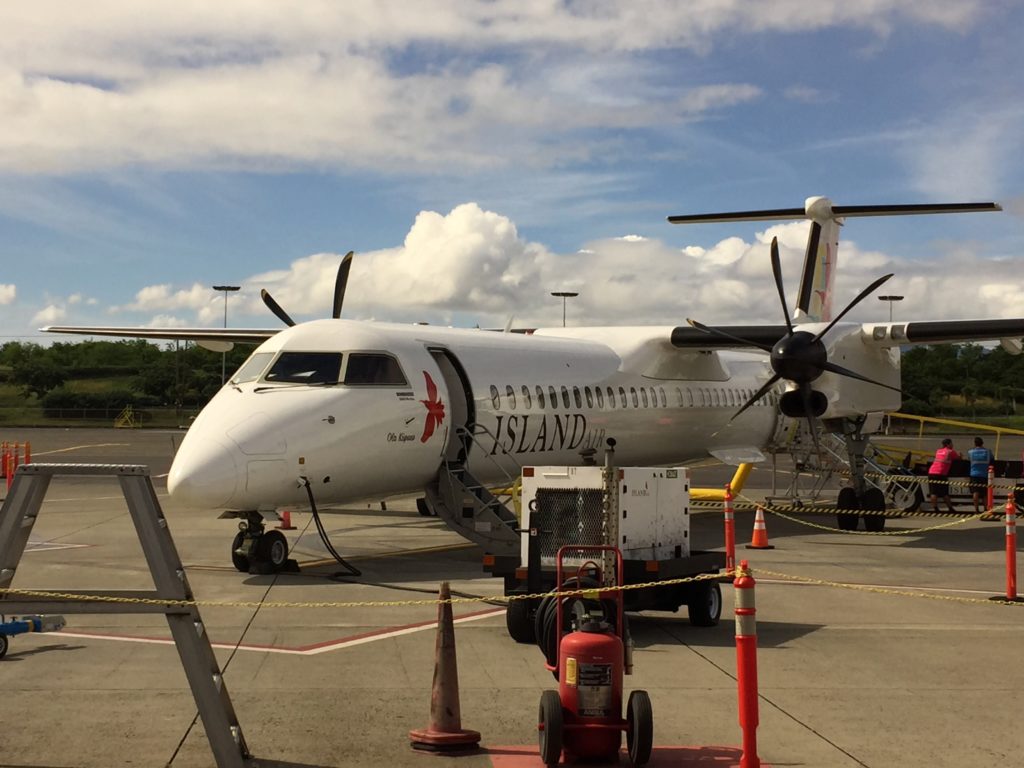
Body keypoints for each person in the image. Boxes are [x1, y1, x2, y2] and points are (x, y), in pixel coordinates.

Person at [927, 438, 960, 513]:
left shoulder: (938, 451)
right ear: (948, 444)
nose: (953, 445)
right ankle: (950, 508)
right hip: (941, 473)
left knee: (933, 492)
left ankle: (935, 509)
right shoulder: (950, 451)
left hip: (932, 472)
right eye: (951, 443)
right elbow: (958, 458)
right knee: (944, 493)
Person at [967, 436, 994, 515]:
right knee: (985, 493)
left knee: (975, 492)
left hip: (974, 474)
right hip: (985, 475)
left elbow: (968, 461)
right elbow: (992, 460)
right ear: (982, 443)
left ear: (975, 444)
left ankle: (976, 509)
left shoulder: (970, 452)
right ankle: (985, 508)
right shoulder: (988, 452)